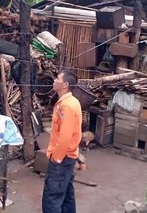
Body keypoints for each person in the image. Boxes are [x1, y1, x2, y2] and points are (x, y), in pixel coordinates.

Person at [42, 70, 82, 213]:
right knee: (66, 194)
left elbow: (65, 137)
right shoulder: (69, 102)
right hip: (69, 156)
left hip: (62, 158)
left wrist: (56, 158)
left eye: (57, 78)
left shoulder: (67, 106)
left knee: (52, 196)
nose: (54, 80)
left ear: (65, 84)